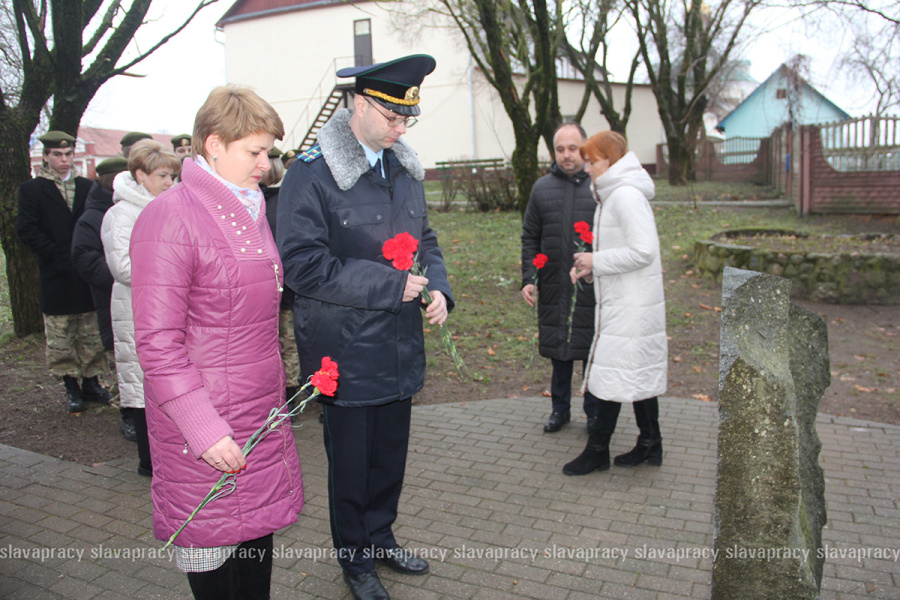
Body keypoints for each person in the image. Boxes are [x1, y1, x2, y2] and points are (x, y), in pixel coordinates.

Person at [278, 54, 452, 600]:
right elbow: (301, 265)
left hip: (398, 344)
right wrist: (388, 286)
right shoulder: (312, 173)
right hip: (345, 349)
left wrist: (440, 289)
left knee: (389, 459)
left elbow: (425, 241)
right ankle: (355, 560)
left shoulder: (403, 168)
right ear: (357, 104)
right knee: (351, 467)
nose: (401, 129)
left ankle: (381, 538)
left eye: (407, 119)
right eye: (392, 117)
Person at [130, 86, 303, 598]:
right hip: (205, 431)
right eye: (255, 152)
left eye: (269, 152)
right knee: (216, 561)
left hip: (256, 418)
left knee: (254, 557)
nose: (266, 165)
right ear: (213, 144)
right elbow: (158, 343)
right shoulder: (170, 218)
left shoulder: (247, 209)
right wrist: (205, 431)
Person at [563, 130, 668, 476]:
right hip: (628, 301)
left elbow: (643, 251)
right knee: (634, 371)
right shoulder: (616, 194)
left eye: (592, 161)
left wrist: (596, 261)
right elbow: (625, 254)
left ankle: (597, 451)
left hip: (631, 306)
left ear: (610, 160)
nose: (587, 168)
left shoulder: (624, 196)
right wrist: (591, 268)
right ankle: (651, 443)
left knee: (611, 374)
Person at [16, 131, 112, 414]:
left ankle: (91, 382)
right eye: (57, 155)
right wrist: (56, 254)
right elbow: (27, 229)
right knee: (62, 332)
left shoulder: (85, 186)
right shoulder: (32, 189)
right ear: (46, 156)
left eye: (68, 154)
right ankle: (71, 385)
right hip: (55, 272)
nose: (64, 160)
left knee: (90, 329)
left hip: (85, 271)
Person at [101, 140, 180, 477]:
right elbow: (122, 266)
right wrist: (174, 269)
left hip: (168, 307)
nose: (169, 182)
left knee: (167, 378)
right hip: (134, 309)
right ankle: (148, 461)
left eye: (172, 176)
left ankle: (170, 455)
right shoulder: (120, 214)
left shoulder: (169, 208)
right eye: (162, 175)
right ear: (140, 175)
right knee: (139, 381)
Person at [521, 122, 598, 433]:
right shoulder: (542, 188)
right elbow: (530, 237)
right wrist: (529, 278)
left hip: (593, 285)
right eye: (560, 149)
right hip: (553, 283)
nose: (566, 155)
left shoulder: (599, 186)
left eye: (573, 148)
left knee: (592, 351)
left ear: (584, 148)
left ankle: (595, 413)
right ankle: (559, 410)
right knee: (560, 351)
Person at [70, 156, 136, 440]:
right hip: (112, 298)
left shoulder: (138, 207)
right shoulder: (92, 217)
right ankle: (129, 415)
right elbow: (84, 258)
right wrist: (123, 272)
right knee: (125, 363)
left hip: (140, 298)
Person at [260, 147, 302, 413]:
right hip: (266, 287)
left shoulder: (285, 199)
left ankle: (290, 395)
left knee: (287, 341)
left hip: (286, 286)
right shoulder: (257, 198)